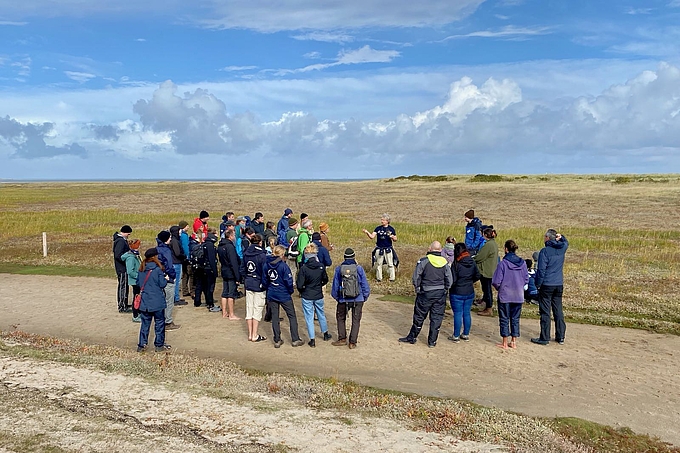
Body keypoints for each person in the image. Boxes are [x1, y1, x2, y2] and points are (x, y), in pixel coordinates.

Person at [399, 241, 452, 348]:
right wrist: (445, 290)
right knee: (436, 318)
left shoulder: (424, 261)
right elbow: (449, 280)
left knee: (419, 316)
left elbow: (416, 277)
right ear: (441, 250)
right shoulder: (445, 262)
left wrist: (418, 289)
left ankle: (412, 337)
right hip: (440, 293)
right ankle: (432, 341)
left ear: (430, 249)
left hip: (425, 292)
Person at [532, 230, 569, 346]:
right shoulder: (562, 248)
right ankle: (560, 336)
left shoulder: (545, 252)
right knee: (558, 310)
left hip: (547, 284)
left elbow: (541, 270)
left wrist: (538, 284)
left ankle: (545, 337)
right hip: (558, 284)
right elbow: (566, 243)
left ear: (548, 238)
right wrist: (561, 237)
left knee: (545, 311)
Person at [330, 248, 371, 349]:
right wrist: (364, 297)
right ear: (354, 257)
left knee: (340, 318)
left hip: (343, 298)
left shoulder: (339, 269)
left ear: (344, 257)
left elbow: (335, 286)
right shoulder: (359, 268)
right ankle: (352, 342)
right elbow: (364, 284)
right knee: (356, 320)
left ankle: (342, 338)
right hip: (358, 298)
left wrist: (337, 297)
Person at [492, 240, 529, 349]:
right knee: (515, 318)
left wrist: (500, 288)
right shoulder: (523, 263)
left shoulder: (503, 264)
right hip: (518, 295)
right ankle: (513, 341)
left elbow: (496, 281)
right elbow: (526, 279)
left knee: (504, 318)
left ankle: (505, 342)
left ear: (506, 249)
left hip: (505, 295)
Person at [265, 245, 304, 348]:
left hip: (272, 293)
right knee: (291, 316)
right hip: (283, 294)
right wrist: (290, 291)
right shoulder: (283, 266)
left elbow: (265, 279)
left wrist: (268, 288)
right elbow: (288, 281)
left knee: (275, 316)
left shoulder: (266, 264)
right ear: (282, 255)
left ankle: (277, 339)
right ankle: (295, 339)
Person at [296, 243, 332, 347]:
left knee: (309, 317)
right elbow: (325, 279)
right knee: (321, 313)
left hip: (307, 294)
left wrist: (302, 291)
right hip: (318, 293)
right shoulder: (320, 266)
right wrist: (319, 285)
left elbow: (299, 284)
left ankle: (312, 339)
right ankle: (325, 334)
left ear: (306, 255)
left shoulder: (304, 268)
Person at [136, 247, 171, 353]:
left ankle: (142, 345)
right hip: (157, 301)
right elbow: (162, 284)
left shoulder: (142, 268)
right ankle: (159, 345)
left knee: (145, 324)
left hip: (145, 302)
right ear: (155, 257)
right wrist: (165, 279)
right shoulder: (157, 269)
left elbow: (138, 283)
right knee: (159, 323)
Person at [448, 243, 480, 342]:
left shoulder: (456, 264)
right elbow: (478, 275)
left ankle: (456, 335)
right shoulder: (472, 262)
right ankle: (466, 334)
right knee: (466, 313)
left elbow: (452, 280)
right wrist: (470, 281)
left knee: (458, 313)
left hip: (457, 292)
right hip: (469, 291)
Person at [242, 234, 268, 342]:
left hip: (249, 282)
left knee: (249, 308)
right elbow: (265, 272)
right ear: (260, 242)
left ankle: (250, 334)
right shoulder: (262, 255)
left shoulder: (246, 253)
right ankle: (255, 334)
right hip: (259, 284)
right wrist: (264, 283)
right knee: (257, 309)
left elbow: (242, 269)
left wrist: (246, 278)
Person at [363, 213, 397, 282]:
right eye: (381, 220)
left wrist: (392, 237)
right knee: (379, 264)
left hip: (388, 249)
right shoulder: (378, 228)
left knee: (390, 264)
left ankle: (392, 278)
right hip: (379, 249)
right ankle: (379, 278)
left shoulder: (391, 229)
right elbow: (372, 237)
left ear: (387, 221)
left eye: (383, 220)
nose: (382, 221)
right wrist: (367, 232)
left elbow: (396, 239)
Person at [156, 230, 179, 330]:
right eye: (169, 238)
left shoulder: (157, 249)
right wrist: (172, 276)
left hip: (159, 277)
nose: (170, 239)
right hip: (167, 278)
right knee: (169, 300)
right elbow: (169, 265)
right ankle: (168, 321)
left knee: (162, 299)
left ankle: (161, 320)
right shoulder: (166, 251)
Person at [217, 228, 241, 319]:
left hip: (224, 270)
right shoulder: (230, 247)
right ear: (230, 236)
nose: (234, 237)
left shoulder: (220, 246)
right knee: (231, 293)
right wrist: (237, 276)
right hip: (230, 272)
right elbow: (234, 262)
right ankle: (231, 314)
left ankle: (224, 312)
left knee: (225, 292)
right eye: (234, 235)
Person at [474, 228, 498, 317]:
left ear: (486, 235)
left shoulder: (488, 245)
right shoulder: (493, 244)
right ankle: (487, 306)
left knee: (487, 290)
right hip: (490, 270)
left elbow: (480, 257)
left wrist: (472, 259)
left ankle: (489, 308)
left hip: (486, 271)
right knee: (487, 290)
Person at [194, 227, 220, 312]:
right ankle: (210, 304)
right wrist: (215, 271)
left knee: (203, 285)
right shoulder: (210, 245)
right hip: (209, 269)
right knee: (210, 287)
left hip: (203, 268)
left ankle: (200, 301)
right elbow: (212, 259)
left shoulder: (205, 243)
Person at [113, 225, 133, 313]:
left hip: (122, 267)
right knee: (123, 286)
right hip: (122, 268)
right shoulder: (121, 241)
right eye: (128, 234)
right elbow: (118, 255)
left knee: (124, 286)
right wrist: (126, 258)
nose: (128, 235)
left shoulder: (120, 240)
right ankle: (122, 306)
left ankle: (124, 303)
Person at [121, 239, 142, 322]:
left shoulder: (135, 255)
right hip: (135, 281)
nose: (139, 247)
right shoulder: (131, 258)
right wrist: (139, 276)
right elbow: (130, 271)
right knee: (136, 298)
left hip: (137, 280)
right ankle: (135, 315)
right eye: (137, 245)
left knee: (138, 297)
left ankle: (138, 313)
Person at [169, 225, 187, 305]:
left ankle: (176, 297)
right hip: (176, 263)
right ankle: (175, 298)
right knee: (176, 282)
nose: (181, 232)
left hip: (175, 262)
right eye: (179, 230)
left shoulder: (173, 240)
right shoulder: (175, 241)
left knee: (176, 282)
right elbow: (177, 253)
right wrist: (184, 256)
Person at [179, 220, 192, 299]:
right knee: (190, 274)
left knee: (184, 275)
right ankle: (190, 290)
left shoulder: (180, 235)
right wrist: (188, 257)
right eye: (187, 226)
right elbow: (186, 247)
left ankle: (185, 290)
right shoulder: (184, 236)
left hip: (182, 258)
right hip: (186, 258)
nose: (188, 227)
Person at [285, 218, 300, 284]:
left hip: (286, 251)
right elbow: (295, 244)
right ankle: (292, 282)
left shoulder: (286, 231)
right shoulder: (293, 233)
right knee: (293, 269)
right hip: (291, 253)